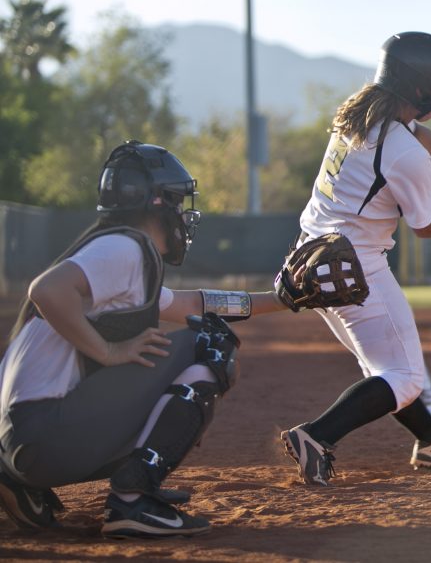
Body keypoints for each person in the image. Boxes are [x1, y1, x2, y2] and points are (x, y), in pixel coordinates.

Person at [0, 141, 292, 538]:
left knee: (197, 338)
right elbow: (46, 290)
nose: (183, 212)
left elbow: (196, 302)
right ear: (157, 202)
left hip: (23, 439)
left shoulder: (115, 248)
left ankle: (24, 484)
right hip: (44, 435)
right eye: (177, 199)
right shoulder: (125, 249)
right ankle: (133, 500)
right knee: (209, 345)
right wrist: (108, 351)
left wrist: (285, 299)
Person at [279, 31, 431, 486]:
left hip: (314, 257)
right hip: (355, 265)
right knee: (403, 378)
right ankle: (317, 436)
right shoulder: (404, 153)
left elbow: (415, 132)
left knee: (383, 368)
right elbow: (425, 226)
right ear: (419, 87)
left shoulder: (365, 113)